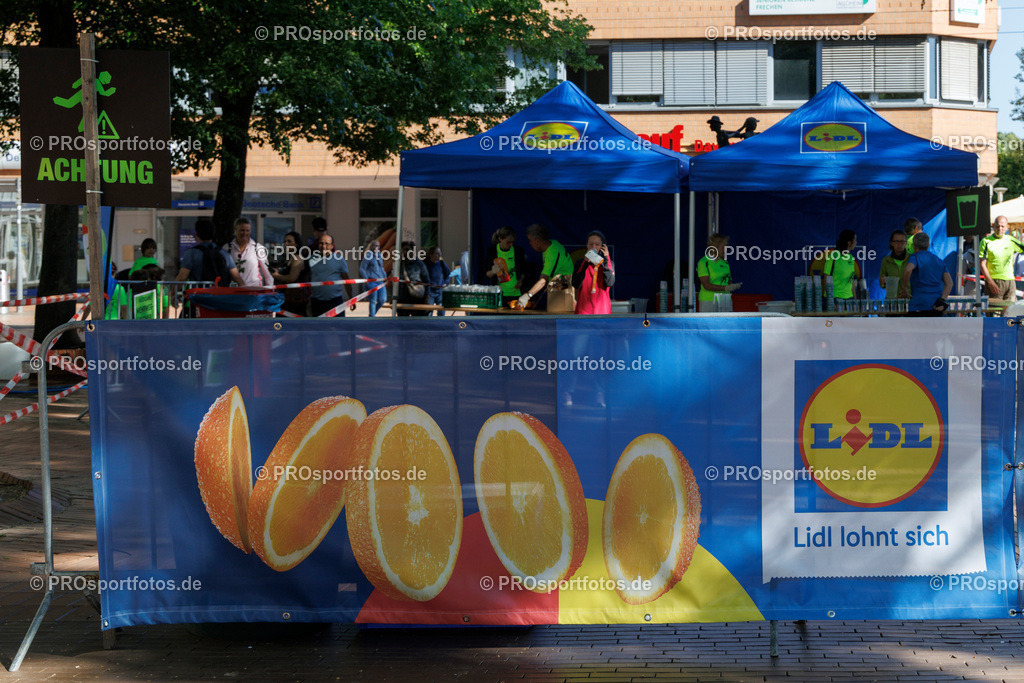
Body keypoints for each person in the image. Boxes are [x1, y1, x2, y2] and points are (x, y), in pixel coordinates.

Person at [519, 224, 573, 311]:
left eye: (530, 240)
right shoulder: (552, 244)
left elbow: (543, 280)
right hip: (557, 287)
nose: (530, 243)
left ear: (537, 241)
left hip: (564, 290)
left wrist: (527, 295)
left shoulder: (552, 253)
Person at [175, 218, 243, 285]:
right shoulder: (224, 253)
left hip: (199, 294)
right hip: (220, 294)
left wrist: (172, 293)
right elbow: (237, 277)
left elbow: (182, 277)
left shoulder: (191, 253)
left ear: (196, 233)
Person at [899, 232, 952, 316]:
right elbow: (949, 284)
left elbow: (908, 270)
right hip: (935, 306)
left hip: (918, 305)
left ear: (914, 246)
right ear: (928, 245)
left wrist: (904, 288)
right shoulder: (939, 260)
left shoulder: (915, 257)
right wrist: (942, 300)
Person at [980, 215, 1024, 306]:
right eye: (997, 226)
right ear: (993, 226)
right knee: (994, 315)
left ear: (1007, 227)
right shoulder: (985, 241)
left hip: (1010, 282)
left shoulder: (1011, 240)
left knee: (1010, 312)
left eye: (1002, 226)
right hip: (994, 282)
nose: (1000, 228)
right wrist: (990, 282)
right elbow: (982, 264)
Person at [308, 234, 354, 316]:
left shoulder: (339, 259)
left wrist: (351, 299)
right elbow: (307, 279)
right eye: (321, 243)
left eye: (327, 244)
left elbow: (347, 280)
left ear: (332, 246)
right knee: (318, 327)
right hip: (317, 302)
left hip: (335, 302)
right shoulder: (311, 259)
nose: (323, 246)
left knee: (338, 327)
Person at [572, 230, 615, 314]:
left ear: (602, 247)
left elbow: (609, 282)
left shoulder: (607, 263)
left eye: (597, 244)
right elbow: (576, 284)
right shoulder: (580, 263)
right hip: (583, 311)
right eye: (591, 244)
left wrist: (607, 259)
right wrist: (585, 263)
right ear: (587, 245)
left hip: (602, 311)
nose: (593, 247)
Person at [696, 233, 740, 312]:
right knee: (709, 324)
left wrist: (732, 285)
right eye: (723, 247)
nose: (726, 249)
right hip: (709, 299)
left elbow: (728, 281)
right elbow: (706, 285)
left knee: (726, 324)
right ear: (715, 247)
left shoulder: (725, 262)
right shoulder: (703, 262)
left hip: (725, 299)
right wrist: (725, 288)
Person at [484, 226, 527, 306]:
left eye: (512, 242)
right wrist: (493, 271)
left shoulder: (518, 251)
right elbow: (486, 274)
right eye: (508, 242)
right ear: (500, 239)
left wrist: (521, 280)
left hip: (516, 294)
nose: (511, 244)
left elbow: (524, 270)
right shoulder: (492, 251)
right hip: (499, 294)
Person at [272, 231, 310, 317]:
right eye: (285, 241)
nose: (286, 244)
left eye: (289, 241)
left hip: (295, 302)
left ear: (296, 244)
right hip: (287, 299)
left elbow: (292, 278)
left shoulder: (297, 258)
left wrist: (276, 275)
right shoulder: (290, 257)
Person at [225, 217, 272, 287]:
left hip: (254, 290)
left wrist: (270, 290)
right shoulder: (227, 247)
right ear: (235, 230)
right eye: (242, 230)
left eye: (247, 230)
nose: (245, 233)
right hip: (234, 290)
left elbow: (267, 273)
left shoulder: (258, 248)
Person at [824, 230, 860, 300]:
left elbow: (851, 280)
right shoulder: (833, 256)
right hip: (835, 297)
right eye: (855, 240)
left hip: (850, 298)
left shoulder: (850, 258)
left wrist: (855, 299)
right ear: (849, 243)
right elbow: (826, 279)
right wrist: (830, 300)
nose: (856, 242)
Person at [398, 241, 429, 316]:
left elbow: (427, 280)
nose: (405, 252)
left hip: (417, 298)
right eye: (403, 250)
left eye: (407, 249)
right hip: (403, 299)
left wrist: (427, 297)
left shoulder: (419, 264)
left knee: (418, 322)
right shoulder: (399, 265)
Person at [359, 239, 388, 317]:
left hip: (380, 281)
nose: (377, 247)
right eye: (375, 245)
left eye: (378, 245)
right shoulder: (368, 256)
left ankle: (372, 313)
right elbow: (362, 268)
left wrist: (385, 276)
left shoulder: (379, 255)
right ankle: (372, 317)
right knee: (373, 300)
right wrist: (366, 279)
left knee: (383, 299)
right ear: (371, 246)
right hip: (372, 282)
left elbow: (381, 267)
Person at [878, 230, 909, 299]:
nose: (899, 244)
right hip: (892, 301)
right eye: (896, 241)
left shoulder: (912, 259)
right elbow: (882, 284)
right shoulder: (886, 260)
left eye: (902, 242)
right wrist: (882, 282)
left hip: (909, 300)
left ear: (906, 243)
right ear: (891, 243)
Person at [422, 246, 451, 315]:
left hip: (439, 290)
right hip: (430, 292)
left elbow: (448, 275)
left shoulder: (441, 263)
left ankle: (440, 324)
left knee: (441, 311)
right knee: (428, 312)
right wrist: (427, 293)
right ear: (431, 255)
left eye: (440, 253)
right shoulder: (425, 264)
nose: (439, 255)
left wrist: (445, 283)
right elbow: (424, 279)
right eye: (437, 253)